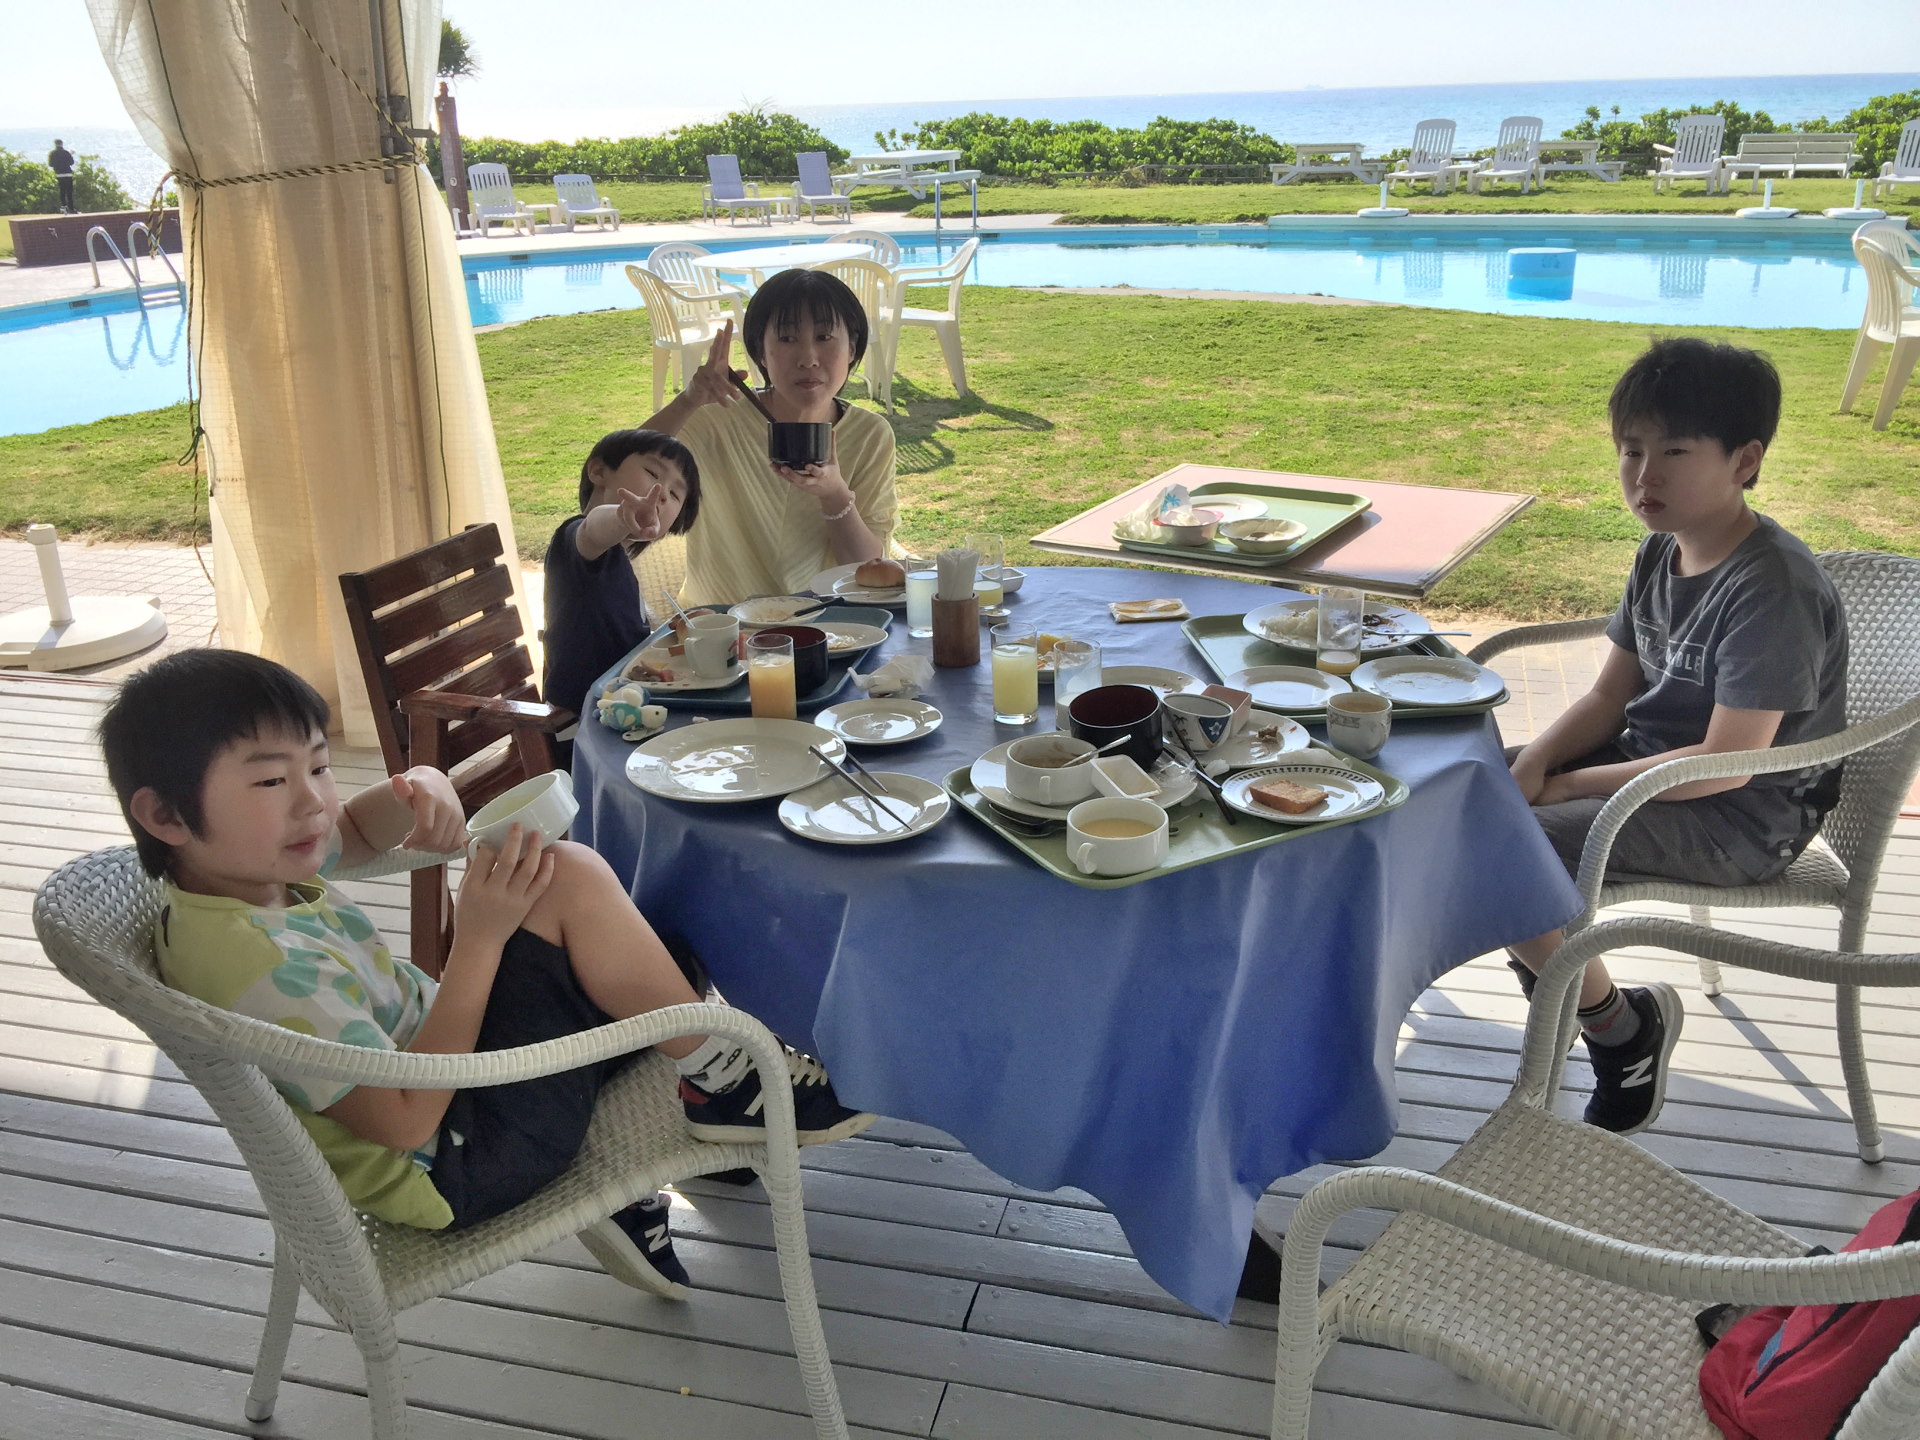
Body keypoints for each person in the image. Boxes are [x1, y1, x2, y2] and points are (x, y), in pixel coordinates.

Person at [99, 649, 873, 1293]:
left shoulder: (244, 871)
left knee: (655, 946)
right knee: (573, 883)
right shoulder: (254, 967)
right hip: (458, 1161)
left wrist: (419, 788)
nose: (313, 804)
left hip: (465, 1085)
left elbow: (355, 831)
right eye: (272, 780)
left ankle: (708, 1082)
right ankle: (728, 1084)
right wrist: (478, 942)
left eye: (321, 766)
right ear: (165, 816)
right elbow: (405, 1120)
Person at [1504, 337, 1847, 1136]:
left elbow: (1725, 767)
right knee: (1461, 786)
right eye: (1631, 451)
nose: (1643, 476)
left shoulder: (1773, 588)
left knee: (1506, 845)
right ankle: (1559, 977)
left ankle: (1619, 1031)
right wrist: (1535, 759)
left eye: (1674, 452)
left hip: (1742, 817)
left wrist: (1562, 786)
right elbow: (1608, 695)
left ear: (1744, 461)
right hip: (1648, 770)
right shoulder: (1662, 549)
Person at [641, 267, 897, 605]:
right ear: (760, 351)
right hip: (721, 625)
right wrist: (688, 401)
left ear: (852, 348)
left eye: (824, 337)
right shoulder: (716, 418)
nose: (808, 359)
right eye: (787, 339)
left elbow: (867, 569)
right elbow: (619, 475)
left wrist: (835, 495)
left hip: (830, 625)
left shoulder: (869, 435)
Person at [542, 428, 700, 724]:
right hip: (581, 726)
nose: (662, 493)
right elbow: (593, 528)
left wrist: (652, 669)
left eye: (675, 494)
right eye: (652, 473)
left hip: (625, 707)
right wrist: (620, 517)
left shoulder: (620, 560)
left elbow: (622, 648)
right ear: (599, 471)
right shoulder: (578, 541)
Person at [48, 140, 75, 214]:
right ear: (62, 144)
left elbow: (50, 164)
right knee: (69, 192)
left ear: (55, 144)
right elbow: (71, 162)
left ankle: (64, 207)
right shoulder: (66, 152)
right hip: (68, 173)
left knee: (62, 191)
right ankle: (71, 208)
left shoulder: (52, 153)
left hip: (59, 174)